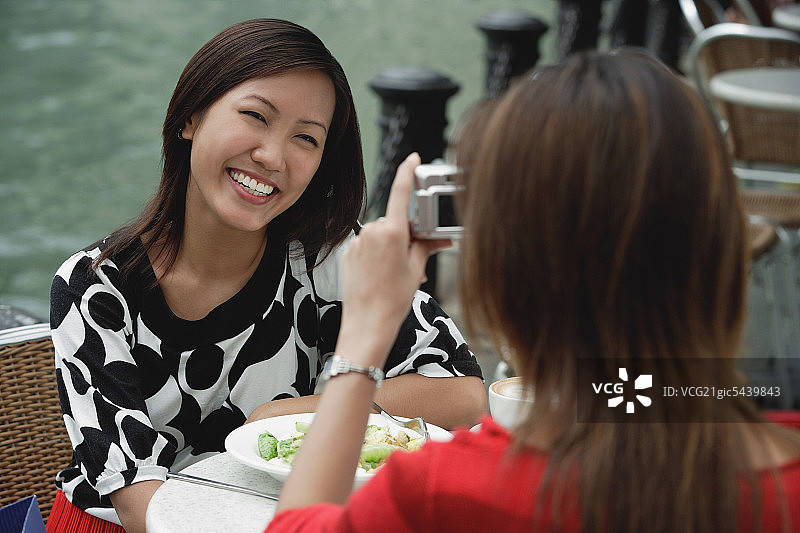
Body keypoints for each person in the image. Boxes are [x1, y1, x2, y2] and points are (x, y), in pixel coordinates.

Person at [265, 50, 800, 532]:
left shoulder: (446, 493)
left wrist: (362, 339)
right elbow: (642, 393)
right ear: (725, 254)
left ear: (505, 281)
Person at [46, 18, 486, 533]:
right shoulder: (96, 287)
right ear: (191, 116)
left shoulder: (328, 260)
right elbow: (139, 503)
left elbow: (463, 394)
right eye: (255, 116)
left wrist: (299, 411)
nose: (272, 156)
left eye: (306, 138)